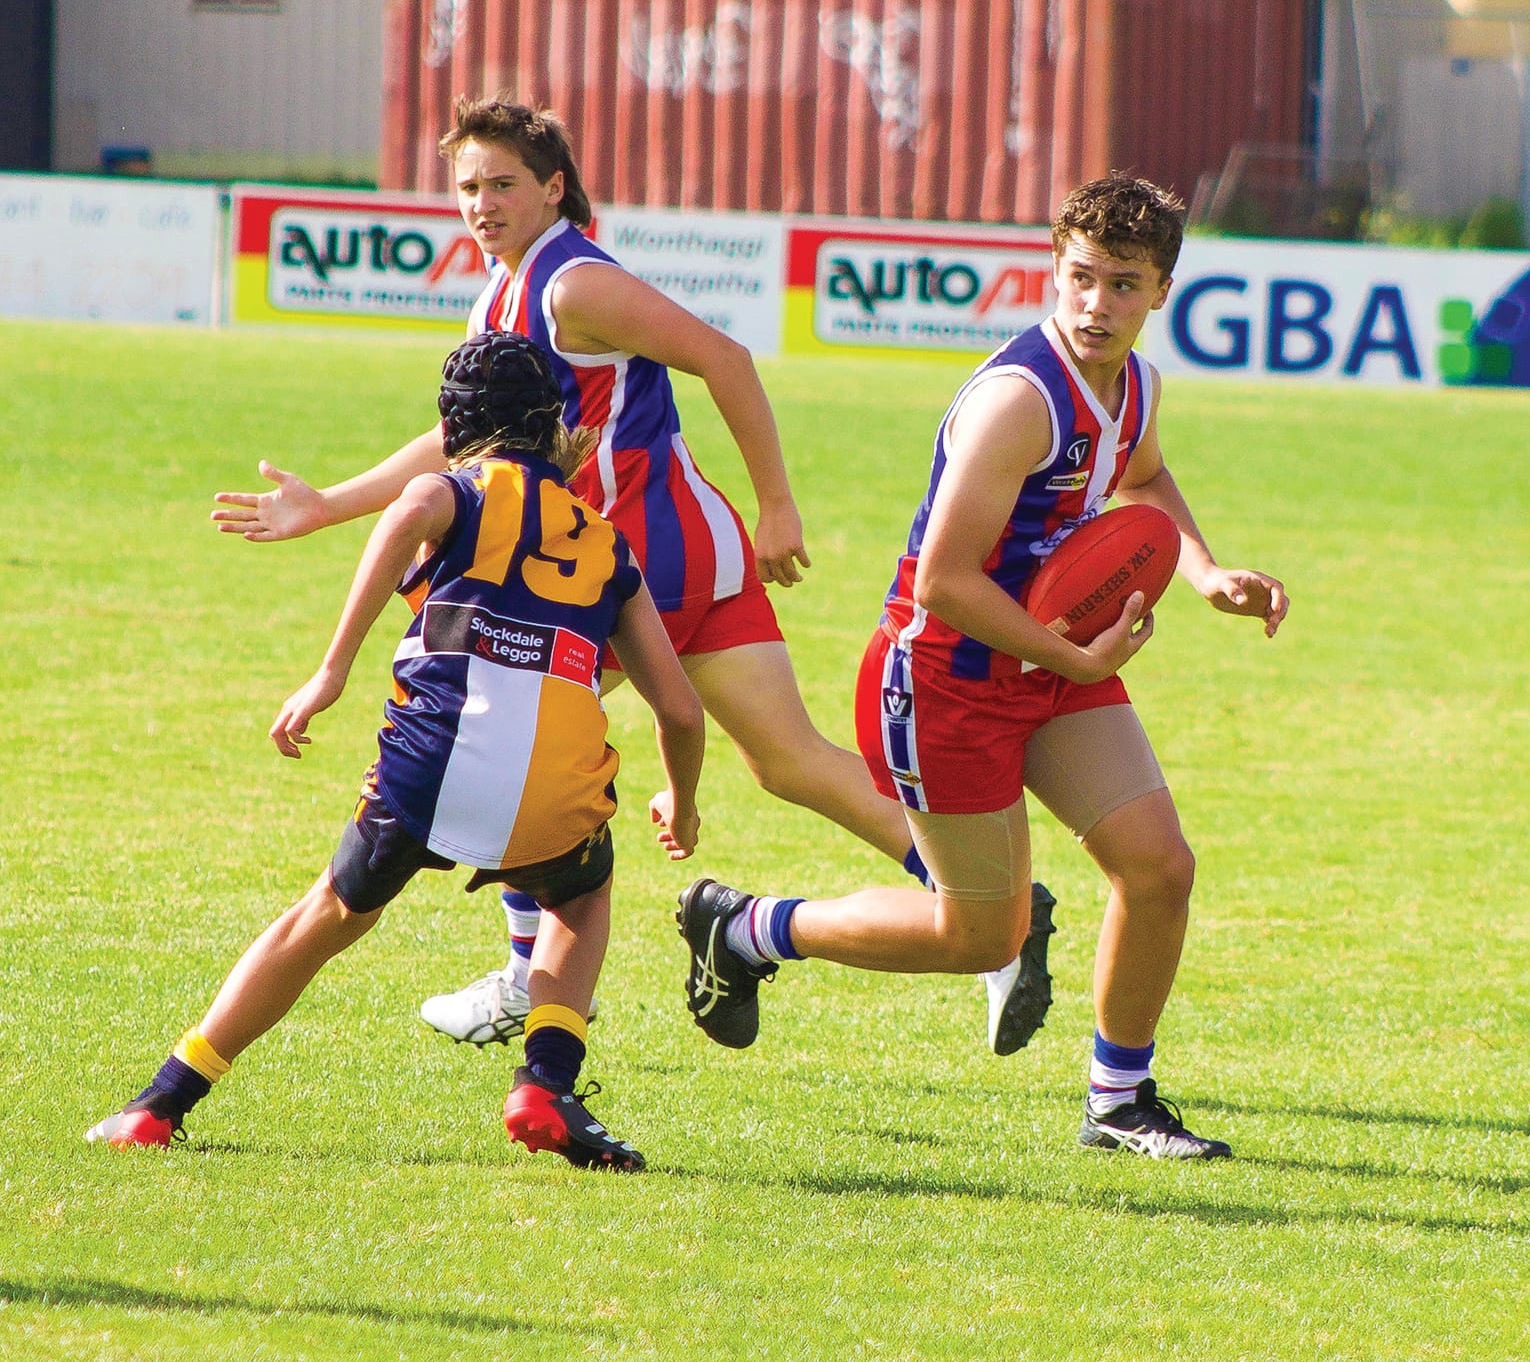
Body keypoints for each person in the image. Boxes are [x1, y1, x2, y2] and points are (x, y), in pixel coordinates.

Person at [211, 96, 1054, 1056]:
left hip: (636, 558)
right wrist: (329, 504)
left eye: (502, 184)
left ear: (553, 188)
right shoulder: (513, 283)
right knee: (788, 760)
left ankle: (532, 979)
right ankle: (994, 912)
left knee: (519, 725)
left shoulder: (572, 284)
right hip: (694, 550)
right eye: (466, 187)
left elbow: (724, 358)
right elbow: (466, 436)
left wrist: (781, 503)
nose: (481, 204)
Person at [674, 175, 1287, 1160]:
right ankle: (744, 929)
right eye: (1081, 278)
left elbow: (1140, 473)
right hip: (944, 680)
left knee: (1158, 868)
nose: (1096, 305)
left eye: (1123, 285)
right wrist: (1069, 654)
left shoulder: (1134, 386)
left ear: (1160, 292)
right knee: (981, 938)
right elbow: (944, 584)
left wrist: (1204, 571)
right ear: (1054, 268)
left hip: (1046, 661)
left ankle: (1118, 1101)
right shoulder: (1017, 400)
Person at [87, 332, 705, 1168]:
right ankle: (545, 1085)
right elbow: (682, 709)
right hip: (556, 786)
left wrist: (330, 670)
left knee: (329, 916)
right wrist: (684, 797)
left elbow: (411, 509)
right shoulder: (605, 542)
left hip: (431, 760)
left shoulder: (454, 489)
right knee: (580, 902)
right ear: (551, 428)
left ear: (456, 430)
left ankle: (163, 1101)